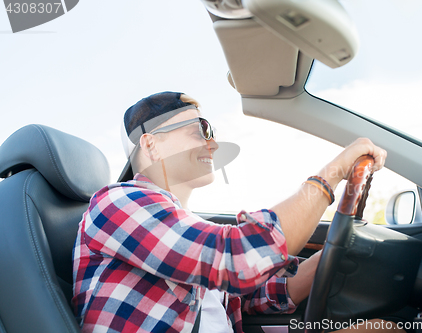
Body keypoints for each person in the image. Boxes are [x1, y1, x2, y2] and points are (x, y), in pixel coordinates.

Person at [72, 91, 392, 333]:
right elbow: (238, 258)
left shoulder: (187, 228)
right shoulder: (117, 203)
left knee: (382, 327)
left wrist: (332, 254)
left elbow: (256, 295)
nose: (212, 144)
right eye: (200, 129)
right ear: (152, 145)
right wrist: (334, 172)